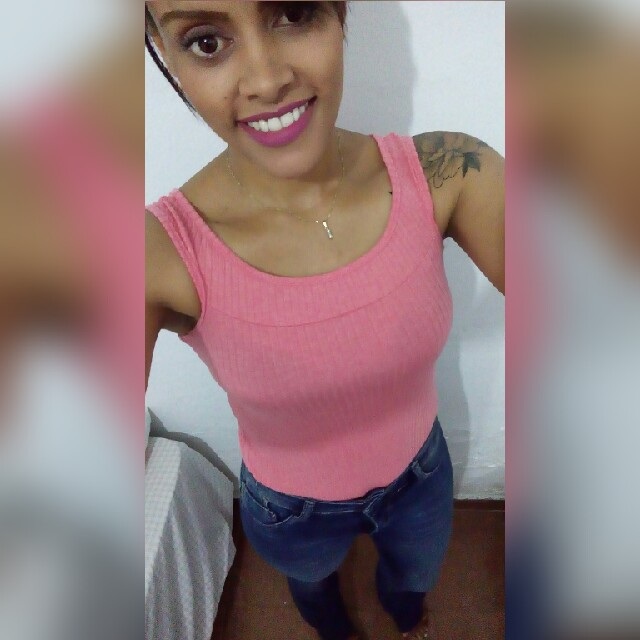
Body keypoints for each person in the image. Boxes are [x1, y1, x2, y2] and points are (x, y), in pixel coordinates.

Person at [144, 2, 504, 639]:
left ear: (339, 14)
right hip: (291, 508)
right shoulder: (160, 251)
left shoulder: (447, 173)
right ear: (162, 51)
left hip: (422, 474)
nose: (266, 80)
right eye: (205, 42)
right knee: (313, 592)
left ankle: (408, 618)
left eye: (293, 12)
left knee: (413, 582)